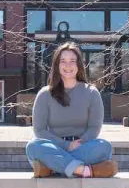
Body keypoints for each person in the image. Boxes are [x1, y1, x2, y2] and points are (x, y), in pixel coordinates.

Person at [25, 42, 117, 178]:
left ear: (79, 65)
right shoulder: (45, 94)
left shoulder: (91, 92)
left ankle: (52, 167)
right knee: (33, 147)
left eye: (72, 61)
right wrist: (66, 145)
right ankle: (84, 170)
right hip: (55, 145)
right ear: (57, 65)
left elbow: (94, 128)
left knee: (104, 147)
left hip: (82, 146)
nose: (68, 65)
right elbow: (39, 130)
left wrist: (78, 143)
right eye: (63, 61)